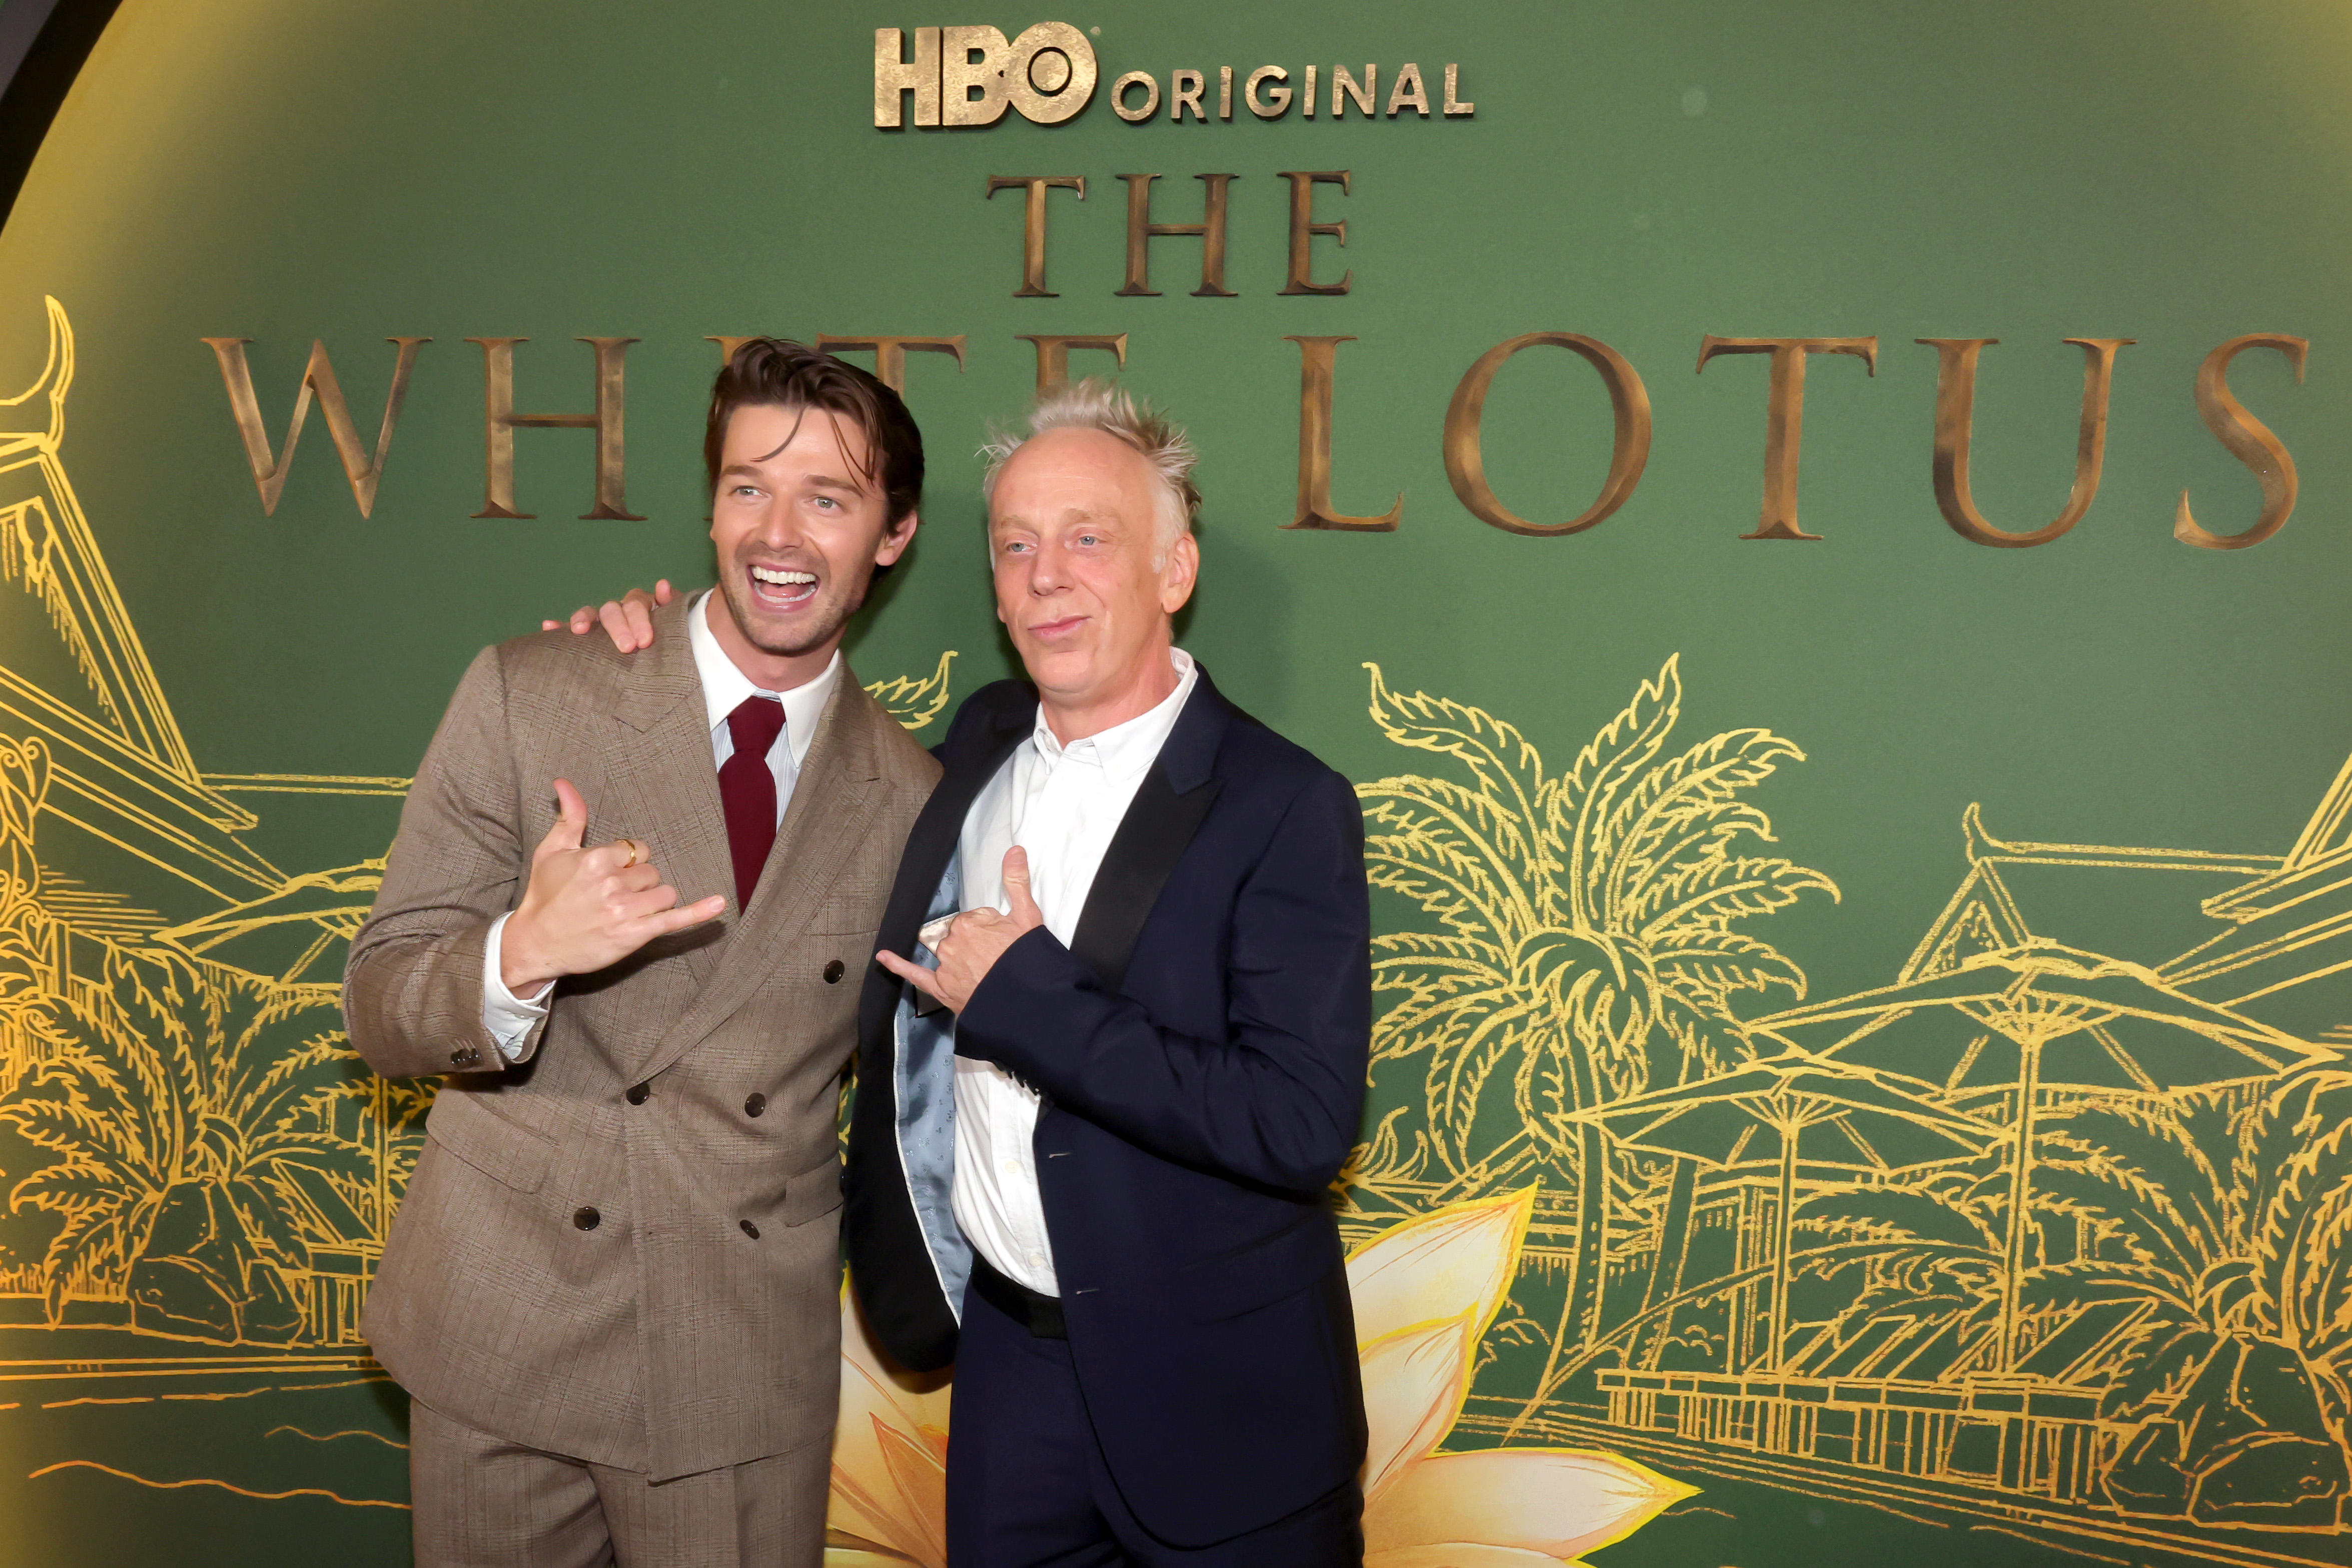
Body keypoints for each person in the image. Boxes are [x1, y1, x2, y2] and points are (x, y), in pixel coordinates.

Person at [571, 379, 1372, 1566]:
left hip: (1223, 1405)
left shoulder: (1286, 804)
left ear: (1174, 570)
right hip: (1009, 1381)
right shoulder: (968, 748)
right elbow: (778, 735)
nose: (1044, 572)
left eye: (1087, 538)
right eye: (1014, 544)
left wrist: (1027, 1000)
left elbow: (1299, 1121)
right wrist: (639, 645)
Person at [343, 340, 941, 1568]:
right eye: (745, 488)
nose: (778, 535)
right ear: (709, 502)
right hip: (507, 1321)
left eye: (827, 499)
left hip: (733, 1354)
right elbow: (378, 1001)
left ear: (892, 535)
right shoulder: (534, 692)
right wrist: (518, 956)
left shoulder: (915, 798)